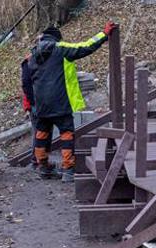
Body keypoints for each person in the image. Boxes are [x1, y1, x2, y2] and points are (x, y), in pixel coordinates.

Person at [28, 22, 117, 182]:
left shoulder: (33, 54)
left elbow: (28, 79)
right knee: (67, 134)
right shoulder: (60, 48)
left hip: (41, 103)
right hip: (60, 100)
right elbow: (85, 47)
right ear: (56, 38)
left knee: (41, 134)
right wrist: (104, 34)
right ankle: (68, 169)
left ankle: (43, 167)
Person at [20, 35, 50, 169]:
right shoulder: (29, 62)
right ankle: (36, 161)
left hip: (43, 103)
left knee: (42, 132)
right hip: (36, 104)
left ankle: (40, 161)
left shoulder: (44, 60)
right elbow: (26, 85)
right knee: (39, 132)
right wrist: (33, 104)